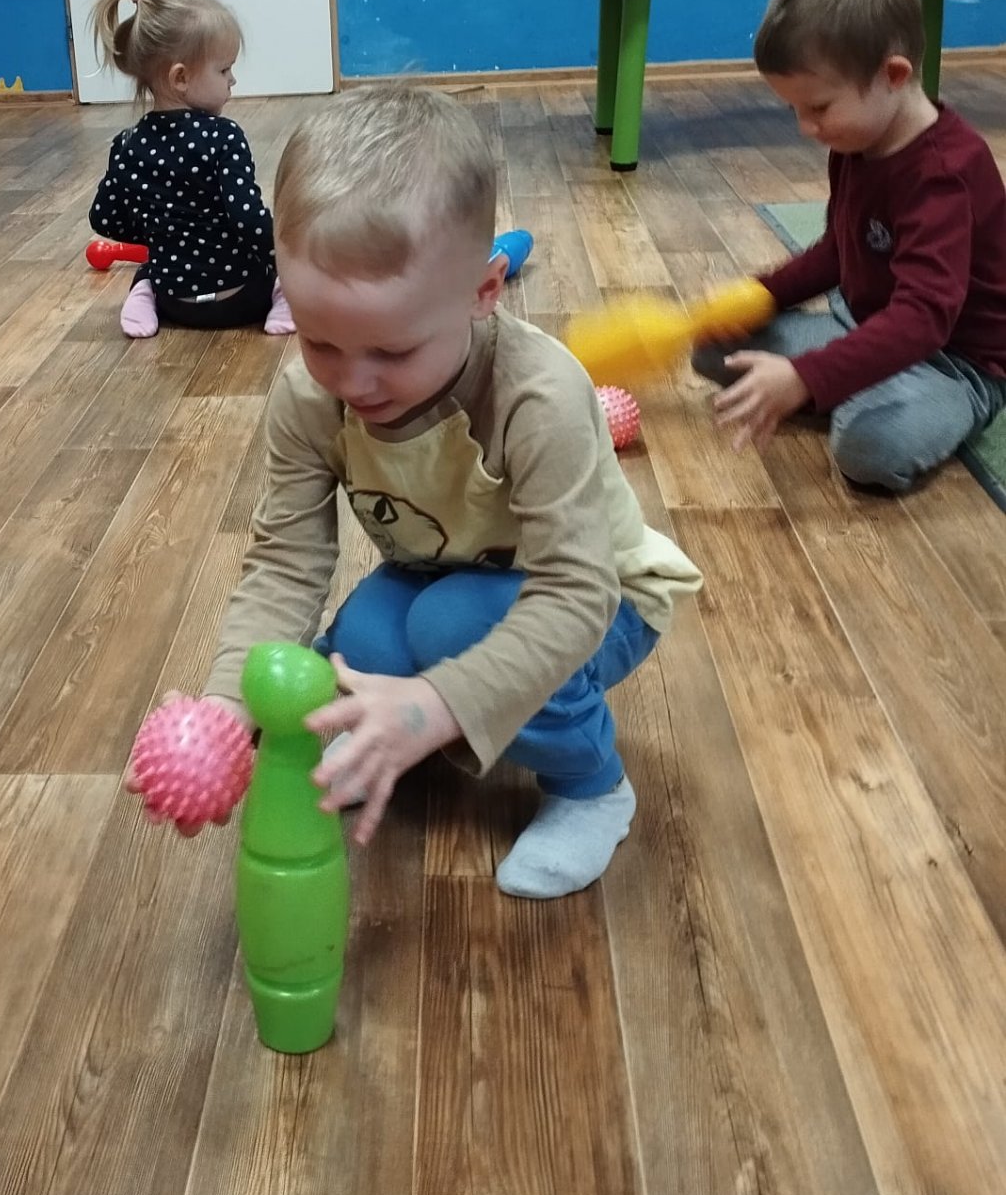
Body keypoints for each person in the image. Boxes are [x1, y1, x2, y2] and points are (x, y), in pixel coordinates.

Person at [155, 83, 703, 899]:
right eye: (320, 341)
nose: (353, 382)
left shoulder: (540, 395)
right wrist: (229, 709)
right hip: (443, 575)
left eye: (392, 350)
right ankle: (408, 728)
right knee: (359, 649)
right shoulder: (309, 400)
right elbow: (284, 564)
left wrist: (439, 705)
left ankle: (592, 786)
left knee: (451, 627)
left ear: (484, 291)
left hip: (604, 597)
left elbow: (576, 593)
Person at [694, 0, 1006, 491]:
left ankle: (863, 389)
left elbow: (924, 318)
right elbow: (839, 250)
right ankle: (854, 379)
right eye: (794, 110)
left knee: (869, 448)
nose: (805, 128)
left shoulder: (943, 175)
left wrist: (808, 376)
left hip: (954, 360)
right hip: (862, 322)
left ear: (893, 75)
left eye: (818, 108)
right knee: (715, 348)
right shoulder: (857, 142)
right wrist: (761, 294)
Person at [87, 0, 294, 339]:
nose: (232, 80)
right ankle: (283, 300)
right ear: (180, 77)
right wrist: (289, 257)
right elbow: (247, 218)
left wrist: (162, 233)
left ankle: (144, 294)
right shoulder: (224, 135)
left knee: (151, 269)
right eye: (224, 70)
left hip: (175, 302)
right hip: (243, 298)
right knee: (276, 270)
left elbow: (104, 218)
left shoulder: (127, 144)